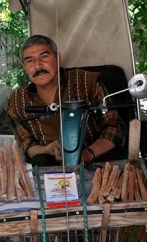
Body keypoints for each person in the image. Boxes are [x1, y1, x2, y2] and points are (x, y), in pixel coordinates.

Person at [8, 34, 128, 167]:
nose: (38, 65)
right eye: (30, 60)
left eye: (44, 56)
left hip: (97, 160)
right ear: (24, 66)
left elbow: (115, 127)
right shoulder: (17, 100)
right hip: (47, 168)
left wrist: (87, 154)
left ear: (58, 58)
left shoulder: (86, 81)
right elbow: (26, 143)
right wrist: (46, 150)